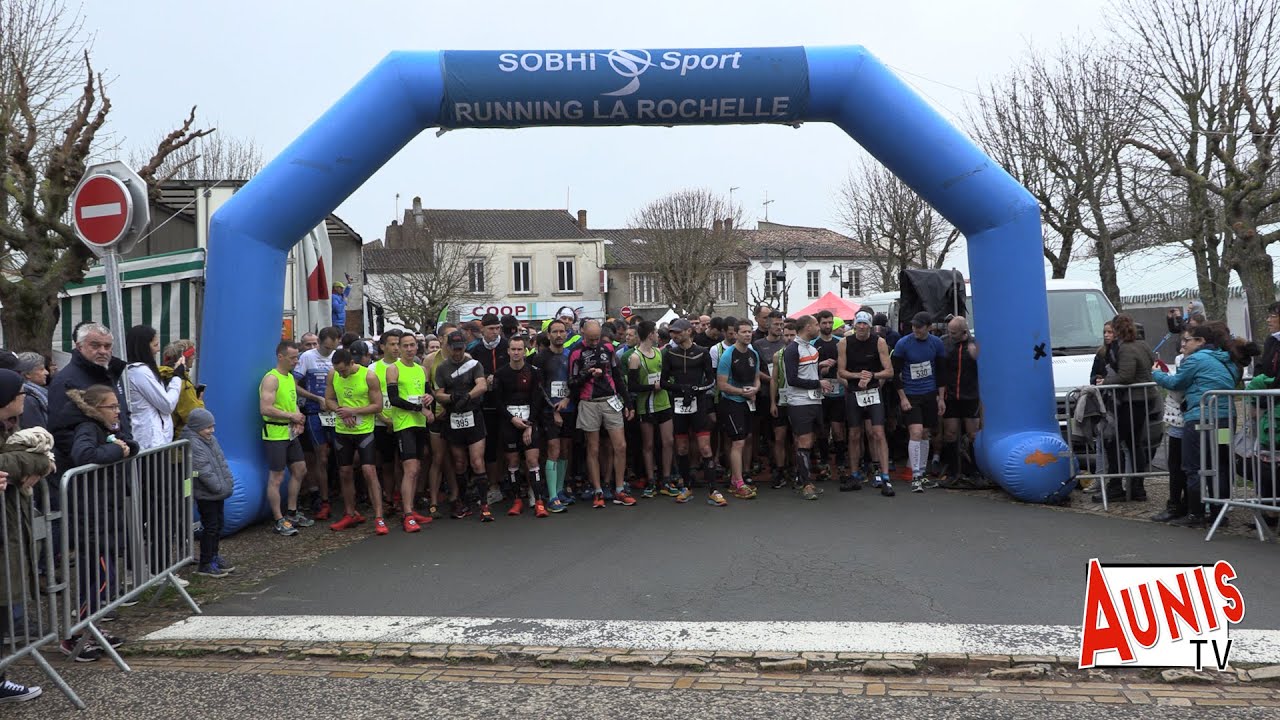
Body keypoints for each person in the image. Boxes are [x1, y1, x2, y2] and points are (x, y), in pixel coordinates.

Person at [1153, 324, 1252, 527]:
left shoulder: (1196, 359)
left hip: (1200, 420)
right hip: (1225, 420)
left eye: (1187, 340)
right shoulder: (1229, 361)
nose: (1183, 344)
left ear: (1200, 342)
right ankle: (1219, 513)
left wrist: (1156, 374)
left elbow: (1175, 383)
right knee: (1221, 463)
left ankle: (1195, 514)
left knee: (1194, 465)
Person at [62, 384, 132, 661]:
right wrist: (118, 451)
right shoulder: (87, 428)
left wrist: (127, 447)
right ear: (95, 408)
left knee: (98, 578)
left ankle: (91, 628)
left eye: (118, 406)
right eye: (112, 407)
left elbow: (124, 444)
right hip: (91, 518)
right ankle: (74, 633)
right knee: (104, 578)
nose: (117, 411)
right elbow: (85, 456)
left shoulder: (105, 429)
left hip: (104, 514)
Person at [0, 369, 56, 690]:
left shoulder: (12, 427)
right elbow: (13, 461)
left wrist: (40, 460)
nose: (25, 396)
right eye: (20, 392)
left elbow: (44, 454)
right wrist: (35, 459)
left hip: (11, 528)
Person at [567, 321, 635, 508]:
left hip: (610, 399)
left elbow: (617, 374)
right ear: (583, 334)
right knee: (593, 448)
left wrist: (627, 402)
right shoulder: (576, 352)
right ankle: (597, 490)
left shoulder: (608, 348)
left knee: (620, 445)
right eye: (591, 339)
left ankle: (619, 488)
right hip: (589, 402)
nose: (594, 342)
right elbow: (571, 382)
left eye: (597, 338)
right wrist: (588, 374)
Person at [1093, 314, 1159, 504]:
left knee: (1114, 441)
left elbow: (1126, 376)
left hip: (1132, 401)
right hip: (1143, 399)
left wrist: (1105, 382)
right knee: (1133, 443)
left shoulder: (1127, 348)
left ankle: (1117, 486)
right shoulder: (1143, 344)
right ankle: (1136, 486)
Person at [325, 349, 387, 534]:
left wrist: (354, 411)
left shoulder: (368, 376)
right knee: (344, 471)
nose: (341, 374)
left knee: (369, 470)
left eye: (343, 371)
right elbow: (328, 400)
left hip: (364, 430)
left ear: (352, 363)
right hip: (342, 430)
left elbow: (378, 406)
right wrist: (340, 410)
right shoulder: (333, 374)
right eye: (338, 371)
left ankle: (379, 517)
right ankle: (350, 513)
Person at [434, 330, 493, 521]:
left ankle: (484, 504)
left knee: (477, 461)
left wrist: (467, 396)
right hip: (454, 417)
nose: (457, 353)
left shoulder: (474, 364)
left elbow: (482, 385)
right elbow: (438, 394)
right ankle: (463, 501)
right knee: (459, 462)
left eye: (460, 349)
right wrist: (451, 397)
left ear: (464, 347)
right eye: (454, 349)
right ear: (449, 347)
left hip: (473, 415)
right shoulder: (443, 368)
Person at [48, 323, 131, 453]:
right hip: (92, 465)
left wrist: (127, 442)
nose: (103, 351)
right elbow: (61, 431)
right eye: (95, 345)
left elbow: (123, 414)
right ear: (79, 346)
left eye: (107, 346)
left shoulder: (109, 373)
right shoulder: (66, 381)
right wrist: (102, 452)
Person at [662, 318, 720, 505]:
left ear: (689, 331)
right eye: (672, 332)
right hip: (679, 404)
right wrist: (680, 388)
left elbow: (711, 380)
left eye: (678, 332)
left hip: (699, 403)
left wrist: (696, 389)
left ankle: (713, 490)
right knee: (682, 447)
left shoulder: (702, 352)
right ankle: (686, 487)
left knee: (704, 447)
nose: (674, 335)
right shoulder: (670, 354)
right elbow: (663, 382)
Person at [837, 311, 895, 495]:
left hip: (873, 392)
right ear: (854, 325)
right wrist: (858, 376)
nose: (862, 327)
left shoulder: (879, 342)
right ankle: (854, 475)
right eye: (859, 324)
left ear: (870, 326)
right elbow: (841, 371)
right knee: (854, 434)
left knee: (878, 432)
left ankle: (885, 477)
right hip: (854, 392)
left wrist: (872, 376)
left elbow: (889, 371)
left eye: (865, 324)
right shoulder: (844, 343)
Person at [493, 336, 550, 517]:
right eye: (513, 349)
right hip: (509, 422)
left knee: (533, 460)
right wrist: (512, 419)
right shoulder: (500, 374)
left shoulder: (534, 372)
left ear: (525, 351)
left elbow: (537, 400)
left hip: (529, 422)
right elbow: (498, 402)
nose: (516, 353)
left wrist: (529, 425)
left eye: (519, 349)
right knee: (513, 462)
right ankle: (517, 500)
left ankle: (539, 501)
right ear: (508, 351)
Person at [259, 341, 309, 536]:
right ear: (281, 357)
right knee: (277, 477)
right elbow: (265, 409)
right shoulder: (272, 379)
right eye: (293, 357)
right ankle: (279, 519)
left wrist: (299, 419)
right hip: (275, 433)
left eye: (297, 357)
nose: (296, 361)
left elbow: (292, 403)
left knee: (300, 469)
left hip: (290, 432)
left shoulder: (288, 377)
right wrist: (291, 417)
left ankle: (292, 511)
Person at [893, 312, 947, 493]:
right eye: (914, 326)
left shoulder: (936, 343)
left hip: (930, 394)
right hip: (911, 394)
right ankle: (915, 475)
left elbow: (940, 372)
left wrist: (940, 397)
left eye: (919, 326)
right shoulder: (903, 344)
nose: (915, 329)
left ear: (929, 327)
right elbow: (895, 373)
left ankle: (922, 474)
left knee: (925, 433)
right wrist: (902, 398)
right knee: (915, 432)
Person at [386, 333, 434, 532]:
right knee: (411, 469)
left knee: (417, 468)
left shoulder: (422, 369)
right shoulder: (393, 369)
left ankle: (411, 509)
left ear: (417, 347)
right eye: (403, 345)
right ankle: (407, 513)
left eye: (411, 345)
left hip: (420, 423)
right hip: (404, 423)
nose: (407, 349)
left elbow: (427, 392)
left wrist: (429, 400)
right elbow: (394, 399)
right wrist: (418, 409)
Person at [182, 408, 235, 578]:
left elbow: (221, 462)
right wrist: (219, 487)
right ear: (197, 427)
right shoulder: (194, 443)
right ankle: (206, 562)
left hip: (216, 491)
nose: (211, 430)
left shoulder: (210, 440)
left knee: (218, 524)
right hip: (206, 493)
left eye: (212, 426)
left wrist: (227, 482)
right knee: (211, 526)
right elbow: (203, 470)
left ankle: (214, 555)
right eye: (208, 427)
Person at [296, 326, 341, 523]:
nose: (328, 352)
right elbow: (294, 384)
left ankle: (341, 495)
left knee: (342, 457)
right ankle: (323, 500)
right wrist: (316, 398)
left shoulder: (338, 356)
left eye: (332, 348)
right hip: (315, 412)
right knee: (320, 457)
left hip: (336, 412)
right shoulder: (307, 357)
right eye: (325, 348)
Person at [782, 315, 829, 501]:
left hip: (815, 401)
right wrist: (818, 382)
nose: (819, 327)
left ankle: (803, 479)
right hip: (799, 402)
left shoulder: (811, 348)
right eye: (816, 324)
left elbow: (810, 372)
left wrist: (821, 374)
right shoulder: (792, 350)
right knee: (804, 441)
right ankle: (805, 483)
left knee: (811, 440)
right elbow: (792, 380)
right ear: (807, 327)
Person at [627, 320, 674, 499]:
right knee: (648, 444)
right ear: (649, 335)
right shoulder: (635, 357)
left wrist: (664, 384)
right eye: (655, 332)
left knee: (668, 441)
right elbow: (632, 386)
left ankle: (667, 478)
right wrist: (651, 387)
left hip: (663, 403)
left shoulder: (658, 352)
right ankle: (651, 479)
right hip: (646, 405)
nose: (657, 335)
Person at [717, 319, 761, 500]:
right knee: (738, 442)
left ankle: (740, 477)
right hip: (731, 402)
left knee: (747, 439)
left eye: (750, 331)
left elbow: (757, 378)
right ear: (735, 334)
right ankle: (738, 481)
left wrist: (756, 389)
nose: (748, 335)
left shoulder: (753, 354)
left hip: (748, 403)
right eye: (743, 332)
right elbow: (721, 385)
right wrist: (742, 392)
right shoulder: (728, 355)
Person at [938, 317, 982, 488]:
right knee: (950, 433)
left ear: (964, 332)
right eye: (949, 331)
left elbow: (988, 367)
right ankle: (952, 471)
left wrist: (977, 356)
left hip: (970, 396)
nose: (950, 335)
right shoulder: (944, 343)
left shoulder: (975, 344)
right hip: (950, 396)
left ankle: (974, 472)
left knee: (973, 434)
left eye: (954, 333)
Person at [124, 325, 184, 450]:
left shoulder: (139, 371)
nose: (157, 350)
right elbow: (167, 405)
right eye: (155, 345)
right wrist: (177, 377)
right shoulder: (139, 372)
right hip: (149, 443)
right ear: (144, 347)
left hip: (154, 441)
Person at [752, 312, 789, 488]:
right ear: (768, 325)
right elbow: (756, 370)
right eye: (776, 324)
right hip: (768, 395)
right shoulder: (758, 344)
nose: (779, 328)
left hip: (790, 394)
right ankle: (776, 467)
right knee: (772, 435)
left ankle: (791, 467)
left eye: (781, 324)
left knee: (791, 435)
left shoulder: (787, 342)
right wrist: (773, 379)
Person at [371, 329, 403, 515]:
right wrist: (384, 418)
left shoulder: (406, 365)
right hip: (382, 422)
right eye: (392, 344)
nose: (396, 348)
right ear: (382, 346)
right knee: (387, 463)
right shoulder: (373, 369)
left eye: (398, 343)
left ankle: (401, 497)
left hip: (403, 421)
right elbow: (370, 398)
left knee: (403, 463)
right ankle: (389, 498)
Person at [813, 310, 846, 482]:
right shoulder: (813, 343)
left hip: (838, 390)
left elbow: (846, 364)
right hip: (819, 392)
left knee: (838, 429)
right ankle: (824, 462)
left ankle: (840, 464)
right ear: (818, 324)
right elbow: (805, 367)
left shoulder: (840, 342)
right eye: (824, 323)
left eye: (830, 323)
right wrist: (820, 366)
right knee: (822, 430)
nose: (827, 326)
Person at [159, 340, 205, 436]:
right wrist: (199, 400)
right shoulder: (183, 383)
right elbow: (194, 417)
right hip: (180, 441)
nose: (194, 357)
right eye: (192, 354)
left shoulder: (162, 376)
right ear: (184, 358)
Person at [15, 353, 49, 430]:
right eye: (41, 369)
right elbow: (36, 433)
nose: (47, 373)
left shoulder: (37, 394)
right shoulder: (28, 399)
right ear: (28, 374)